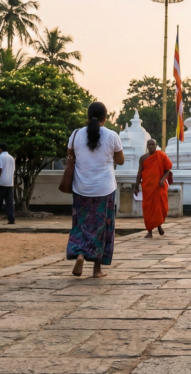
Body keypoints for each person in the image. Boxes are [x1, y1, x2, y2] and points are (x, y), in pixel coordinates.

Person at [67, 102, 124, 278]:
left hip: (81, 187)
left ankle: (81, 254)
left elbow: (70, 155)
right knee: (102, 227)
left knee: (81, 224)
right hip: (104, 188)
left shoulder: (76, 134)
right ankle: (97, 269)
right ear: (105, 117)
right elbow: (120, 160)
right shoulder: (112, 135)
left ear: (87, 115)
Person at [136, 139, 172, 238]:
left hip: (159, 186)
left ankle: (159, 225)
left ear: (156, 145)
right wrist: (136, 186)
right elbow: (139, 172)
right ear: (147, 146)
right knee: (148, 208)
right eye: (149, 144)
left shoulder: (162, 155)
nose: (151, 146)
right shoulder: (143, 158)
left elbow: (168, 170)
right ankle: (149, 231)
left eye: (153, 144)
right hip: (147, 186)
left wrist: (162, 179)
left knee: (160, 208)